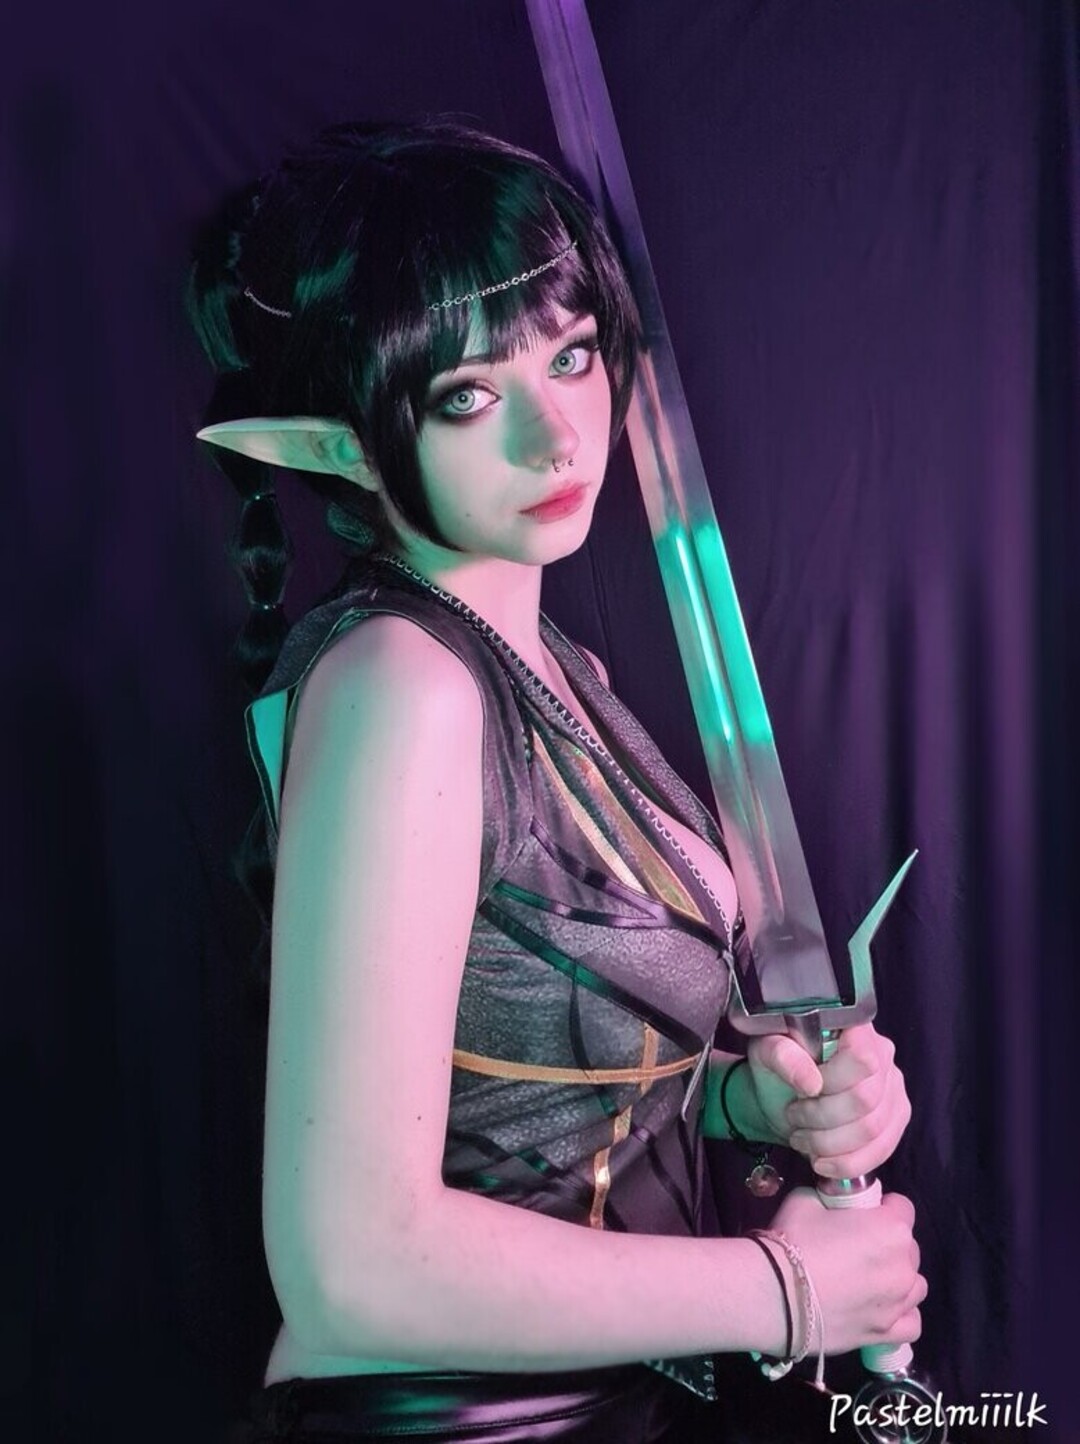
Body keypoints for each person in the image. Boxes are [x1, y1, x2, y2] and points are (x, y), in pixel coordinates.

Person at [188, 120, 925, 1444]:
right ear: (341, 445)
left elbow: (527, 1084)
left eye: (572, 355)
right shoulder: (402, 687)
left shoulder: (552, 668)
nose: (556, 435)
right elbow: (351, 1268)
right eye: (467, 396)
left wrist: (744, 1098)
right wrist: (787, 1289)